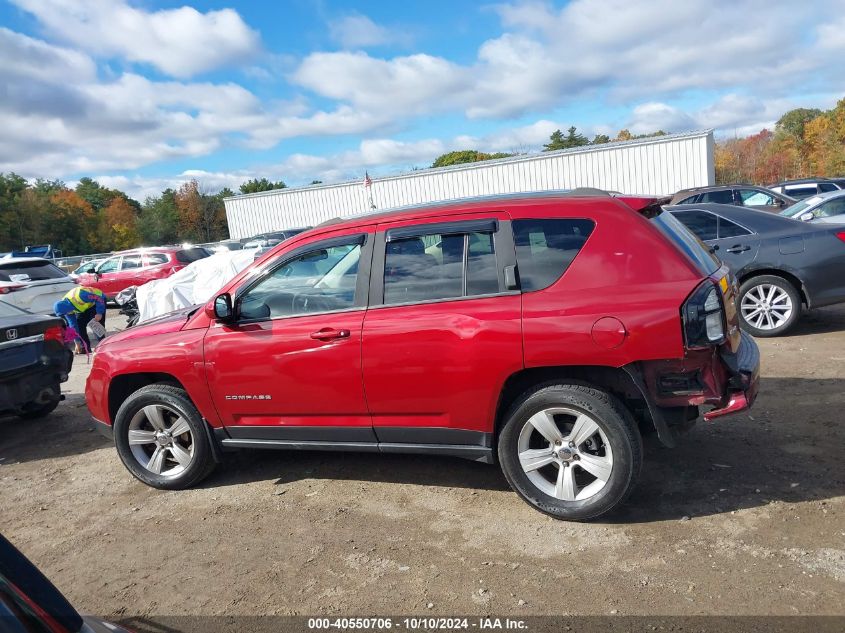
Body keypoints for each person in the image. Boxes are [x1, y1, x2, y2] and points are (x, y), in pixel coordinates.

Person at [53, 286, 107, 353]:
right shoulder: (66, 308)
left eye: (66, 313)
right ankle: (85, 348)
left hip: (97, 302)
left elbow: (99, 298)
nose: (67, 314)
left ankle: (105, 347)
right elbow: (73, 326)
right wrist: (77, 342)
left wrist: (99, 313)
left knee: (95, 326)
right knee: (80, 326)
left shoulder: (80, 295)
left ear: (66, 308)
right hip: (84, 308)